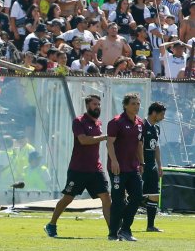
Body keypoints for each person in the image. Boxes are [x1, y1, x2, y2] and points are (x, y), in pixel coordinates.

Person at [45, 94, 111, 237]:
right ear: (87, 105)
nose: (97, 107)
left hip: (95, 169)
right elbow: (83, 140)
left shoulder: (98, 123)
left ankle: (113, 231)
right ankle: (51, 224)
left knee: (106, 197)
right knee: (68, 198)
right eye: (95, 104)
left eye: (99, 104)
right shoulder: (79, 121)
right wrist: (105, 137)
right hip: (78, 169)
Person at [106, 93, 145, 242]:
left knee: (137, 197)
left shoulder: (140, 123)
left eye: (138, 104)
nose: (136, 106)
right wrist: (114, 161)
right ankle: (112, 234)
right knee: (118, 201)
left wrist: (141, 163)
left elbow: (139, 145)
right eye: (133, 103)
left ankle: (125, 229)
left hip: (132, 167)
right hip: (117, 168)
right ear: (125, 105)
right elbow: (109, 143)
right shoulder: (116, 122)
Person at [143, 102, 166, 233]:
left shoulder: (156, 128)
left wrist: (159, 165)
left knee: (154, 194)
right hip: (140, 165)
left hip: (151, 166)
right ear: (154, 113)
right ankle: (122, 225)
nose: (163, 117)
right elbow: (138, 146)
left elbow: (156, 147)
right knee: (135, 195)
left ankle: (150, 226)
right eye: (162, 114)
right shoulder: (142, 125)